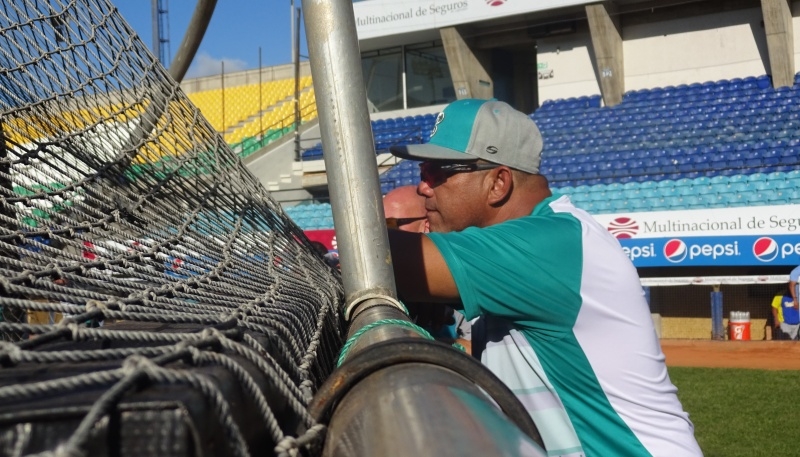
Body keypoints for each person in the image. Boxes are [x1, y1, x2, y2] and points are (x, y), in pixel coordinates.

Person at [385, 99, 701, 456]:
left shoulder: (550, 244)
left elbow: (385, 259)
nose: (423, 188)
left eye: (437, 172)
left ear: (498, 182)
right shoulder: (538, 243)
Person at [383, 186, 472, 348]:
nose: (381, 235)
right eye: (379, 226)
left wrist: (406, 344)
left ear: (427, 225)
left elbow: (481, 351)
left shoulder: (461, 275)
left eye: (390, 224)